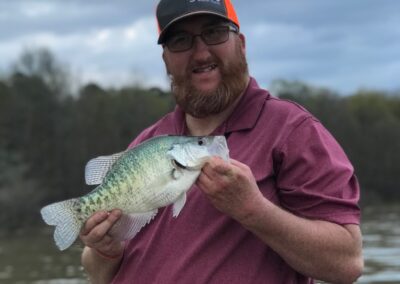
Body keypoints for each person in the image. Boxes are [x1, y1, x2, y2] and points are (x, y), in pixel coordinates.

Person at [80, 0, 363, 283]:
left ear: (240, 43)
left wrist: (254, 210)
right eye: (181, 40)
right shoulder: (148, 141)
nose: (201, 53)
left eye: (214, 33)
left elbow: (346, 263)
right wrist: (106, 250)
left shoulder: (292, 131)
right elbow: (98, 272)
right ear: (166, 59)